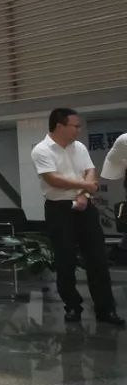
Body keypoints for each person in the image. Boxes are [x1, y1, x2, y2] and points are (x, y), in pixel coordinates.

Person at [31, 108, 124, 326]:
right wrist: (85, 186)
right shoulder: (41, 150)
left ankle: (106, 309)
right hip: (59, 209)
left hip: (85, 207)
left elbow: (90, 171)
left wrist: (83, 194)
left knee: (98, 259)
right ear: (59, 126)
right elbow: (53, 179)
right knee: (65, 260)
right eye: (75, 126)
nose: (79, 130)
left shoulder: (79, 147)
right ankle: (72, 307)